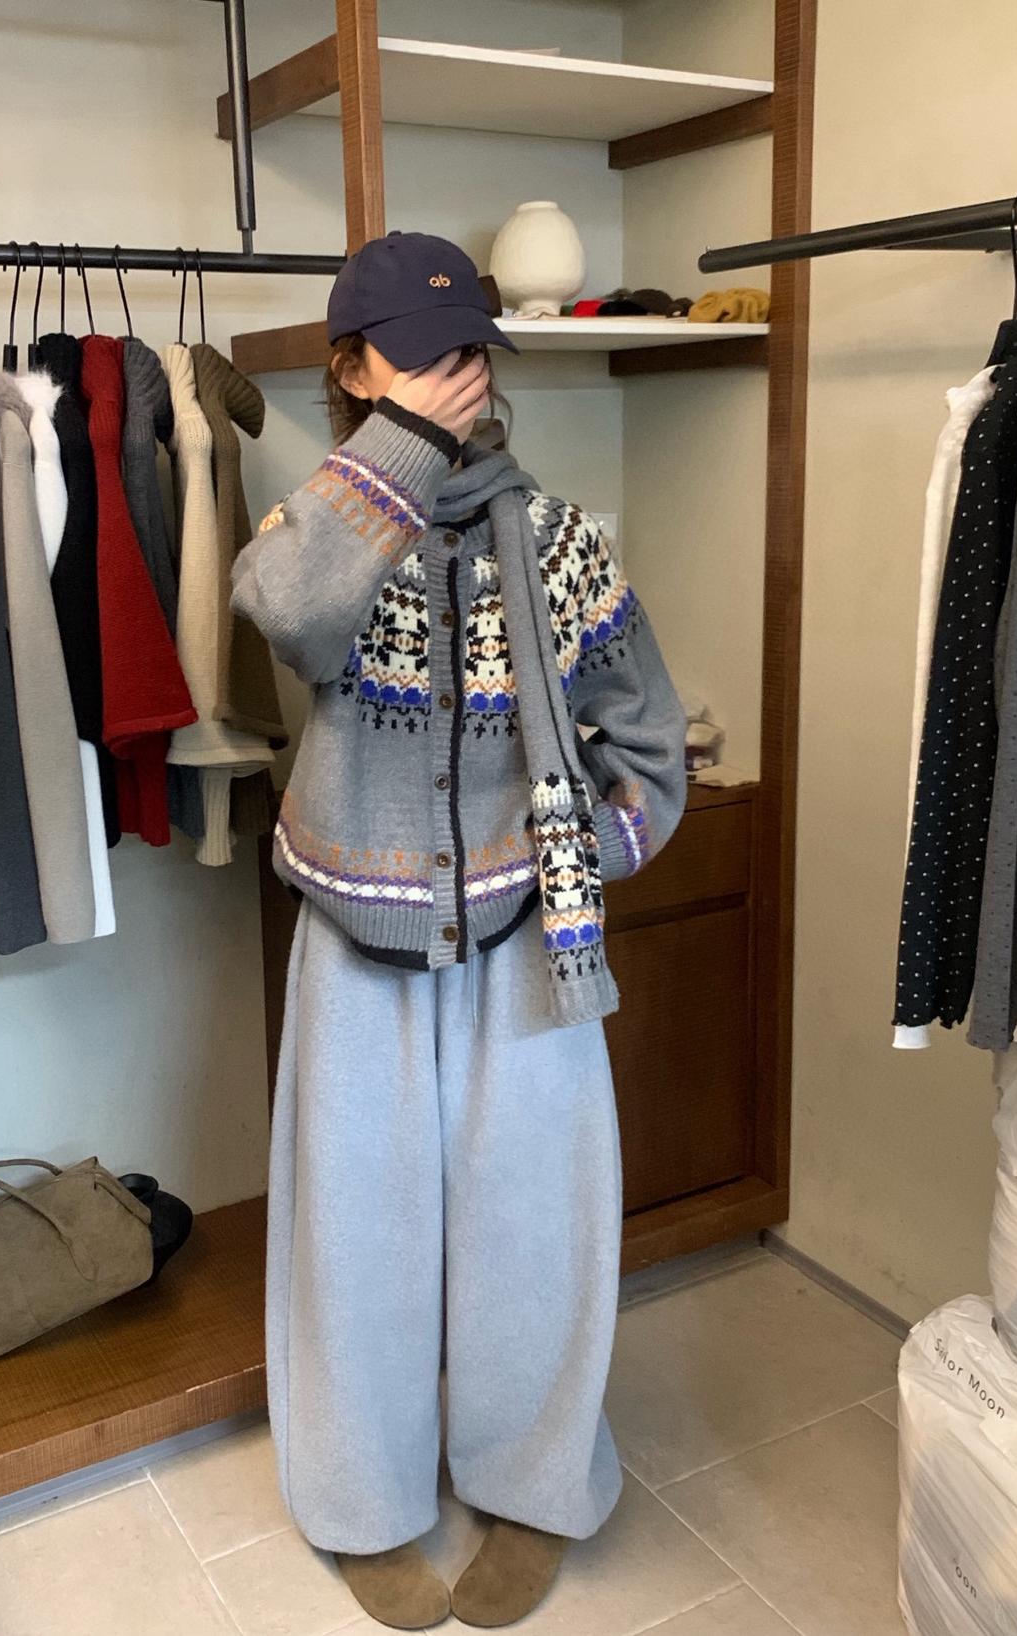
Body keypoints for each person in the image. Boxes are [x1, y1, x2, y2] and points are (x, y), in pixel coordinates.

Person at [231, 231, 687, 1630]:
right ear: (353, 368)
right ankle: (363, 1503)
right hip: (356, 943)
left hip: (522, 941)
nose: (458, 374)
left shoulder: (554, 539)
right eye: (421, 353)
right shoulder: (318, 532)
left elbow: (648, 751)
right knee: (356, 1243)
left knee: (534, 1233)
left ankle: (535, 1485)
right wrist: (405, 450)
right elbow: (286, 616)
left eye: (471, 348)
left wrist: (576, 863)